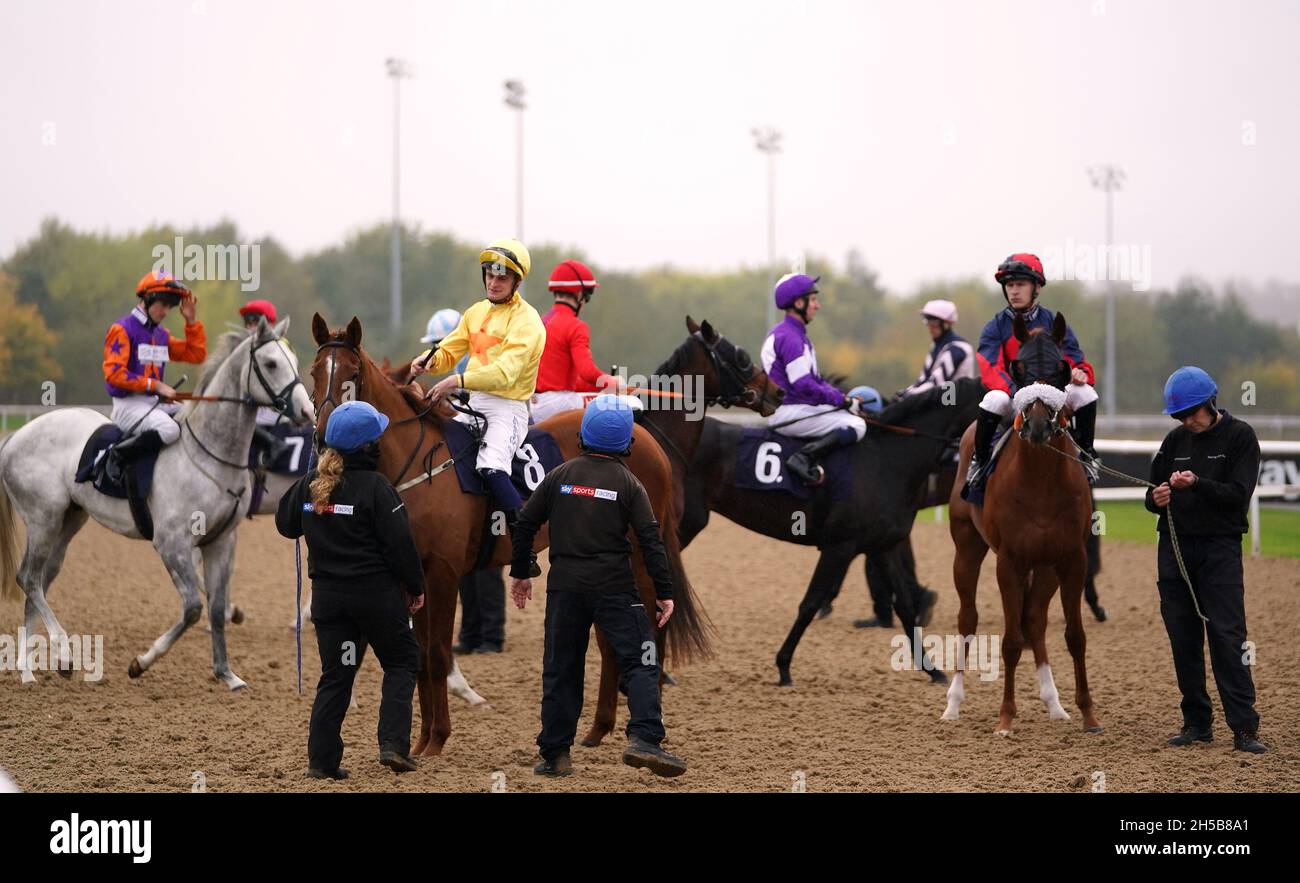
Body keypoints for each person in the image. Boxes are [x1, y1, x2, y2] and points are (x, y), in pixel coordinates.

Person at [510, 396, 686, 778]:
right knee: (641, 660)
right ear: (627, 444)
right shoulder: (630, 484)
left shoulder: (559, 476)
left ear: (582, 434)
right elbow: (651, 541)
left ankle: (556, 754)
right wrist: (664, 591)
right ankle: (644, 739)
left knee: (560, 668)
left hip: (565, 589)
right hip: (614, 588)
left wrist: (522, 570)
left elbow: (524, 523)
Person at [276, 401, 427, 779]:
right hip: (376, 599)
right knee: (400, 661)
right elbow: (400, 547)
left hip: (329, 602)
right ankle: (393, 745)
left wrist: (311, 481)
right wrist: (416, 586)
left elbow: (286, 524)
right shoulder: (379, 489)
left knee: (338, 673)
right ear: (367, 447)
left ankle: (322, 762)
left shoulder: (312, 484)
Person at [1145, 367, 1265, 754]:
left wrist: (1197, 483)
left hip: (1219, 551)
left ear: (1211, 403)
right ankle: (1197, 722)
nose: (1187, 421)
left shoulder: (1240, 437)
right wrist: (1156, 499)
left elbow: (1237, 495)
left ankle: (1244, 727)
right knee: (1183, 639)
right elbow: (1152, 494)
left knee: (1227, 637)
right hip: (1175, 550)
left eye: (1193, 412)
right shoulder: (1173, 440)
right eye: (1180, 415)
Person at [407, 238, 545, 573]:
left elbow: (506, 373)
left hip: (508, 407)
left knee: (489, 465)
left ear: (516, 282)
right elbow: (449, 351)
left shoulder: (528, 322)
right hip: (474, 403)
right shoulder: (475, 312)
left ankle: (523, 547)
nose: (493, 283)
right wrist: (427, 361)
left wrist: (456, 381)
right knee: (442, 455)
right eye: (489, 275)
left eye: (501, 278)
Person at [962, 253, 1099, 498]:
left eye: (1020, 284)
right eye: (1010, 285)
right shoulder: (995, 327)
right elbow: (990, 368)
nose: (1014, 291)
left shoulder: (1054, 323)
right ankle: (980, 462)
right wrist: (1021, 394)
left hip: (1053, 393)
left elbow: (1076, 360)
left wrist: (1081, 373)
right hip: (1012, 395)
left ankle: (1087, 454)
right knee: (994, 400)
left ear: (1036, 287)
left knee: (1086, 394)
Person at [420, 306, 507, 655]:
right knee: (464, 562)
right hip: (464, 448)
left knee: (486, 562)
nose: (441, 351)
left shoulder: (481, 363)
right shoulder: (458, 368)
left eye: (442, 343)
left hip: (494, 441)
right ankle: (471, 634)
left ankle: (493, 635)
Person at [760, 273, 867, 484]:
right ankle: (804, 457)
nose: (817, 305)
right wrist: (842, 401)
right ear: (799, 303)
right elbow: (803, 384)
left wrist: (843, 399)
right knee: (857, 426)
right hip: (788, 412)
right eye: (814, 299)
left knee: (850, 415)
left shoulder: (795, 335)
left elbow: (816, 381)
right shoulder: (790, 337)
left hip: (795, 408)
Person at [102, 271, 207, 469]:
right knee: (170, 430)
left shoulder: (161, 335)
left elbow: (196, 355)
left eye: (170, 306)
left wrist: (191, 322)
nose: (166, 312)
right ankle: (117, 456)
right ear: (148, 299)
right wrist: (156, 384)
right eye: (163, 305)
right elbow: (114, 374)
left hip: (154, 404)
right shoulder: (122, 329)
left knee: (198, 417)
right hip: (128, 406)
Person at [530, 259, 623, 424]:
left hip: (535, 404)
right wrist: (610, 381)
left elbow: (567, 380)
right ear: (579, 294)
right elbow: (586, 370)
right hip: (559, 404)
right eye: (588, 295)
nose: (586, 301)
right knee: (625, 405)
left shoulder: (541, 321)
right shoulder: (576, 326)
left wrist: (599, 385)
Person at [239, 299, 292, 467]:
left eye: (257, 321)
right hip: (256, 415)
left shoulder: (279, 348)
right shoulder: (247, 348)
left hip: (273, 416)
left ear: (271, 324)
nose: (251, 327)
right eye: (248, 322)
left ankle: (272, 444)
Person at [900, 299, 977, 397]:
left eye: (934, 323)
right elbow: (923, 379)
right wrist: (905, 392)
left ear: (946, 324)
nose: (929, 327)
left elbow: (937, 382)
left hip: (954, 404)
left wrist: (910, 395)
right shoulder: (936, 346)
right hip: (940, 401)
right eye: (927, 322)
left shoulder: (958, 348)